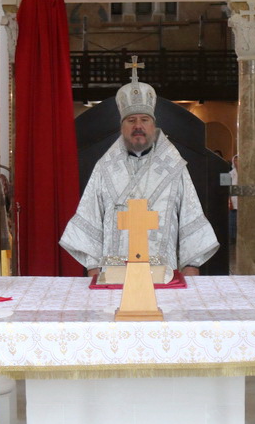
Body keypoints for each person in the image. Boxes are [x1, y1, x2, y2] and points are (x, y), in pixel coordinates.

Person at [59, 71, 219, 276]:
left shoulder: (173, 167)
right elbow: (90, 216)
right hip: (114, 275)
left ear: (153, 125)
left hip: (162, 273)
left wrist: (191, 264)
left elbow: (190, 216)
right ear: (121, 126)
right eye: (131, 120)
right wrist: (93, 267)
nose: (138, 126)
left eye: (144, 119)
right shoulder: (105, 168)